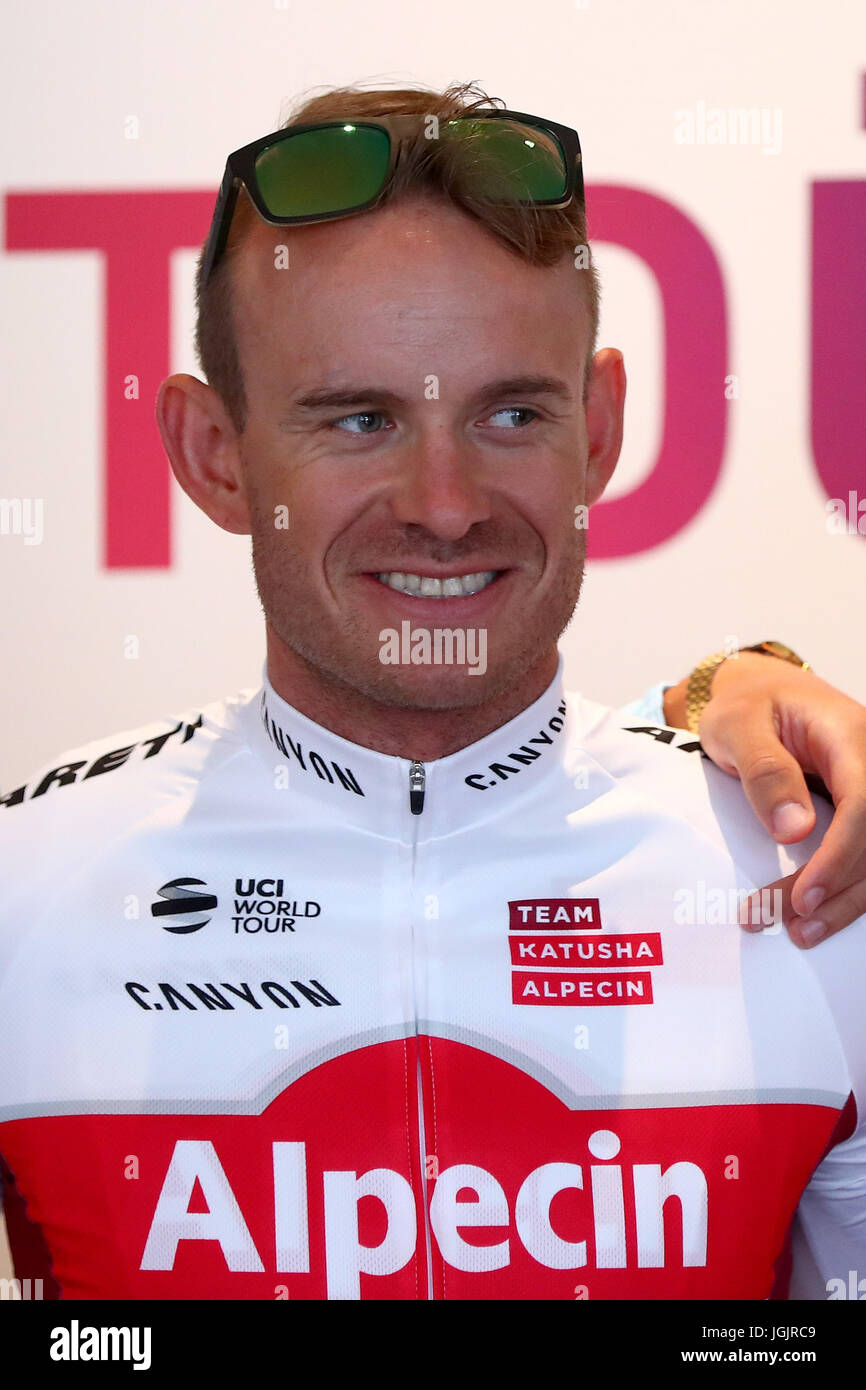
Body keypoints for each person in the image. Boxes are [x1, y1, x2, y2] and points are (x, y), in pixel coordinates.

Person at [0, 80, 864, 1301]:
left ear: (601, 429)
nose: (444, 503)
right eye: (356, 419)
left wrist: (728, 683)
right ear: (213, 457)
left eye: (511, 411)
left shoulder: (816, 887)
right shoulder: (24, 895)